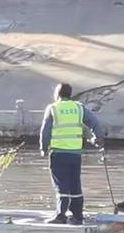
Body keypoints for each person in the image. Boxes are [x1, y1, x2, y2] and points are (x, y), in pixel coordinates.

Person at [40, 83, 104, 225]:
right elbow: (95, 122)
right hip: (75, 154)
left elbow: (46, 130)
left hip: (58, 153)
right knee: (75, 184)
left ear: (58, 93)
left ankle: (61, 215)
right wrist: (98, 139)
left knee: (61, 184)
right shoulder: (79, 108)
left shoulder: (53, 108)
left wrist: (43, 148)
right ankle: (77, 216)